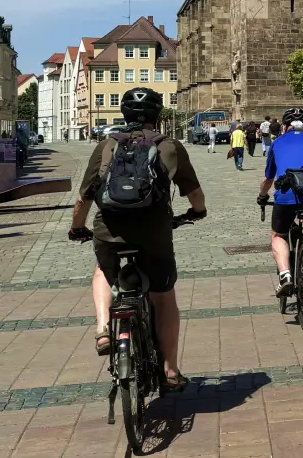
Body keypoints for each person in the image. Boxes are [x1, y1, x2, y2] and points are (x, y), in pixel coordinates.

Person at [68, 87, 205, 393]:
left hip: (109, 227)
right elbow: (193, 192)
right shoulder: (169, 145)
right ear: (157, 115)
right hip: (154, 229)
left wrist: (77, 227)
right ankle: (170, 370)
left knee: (104, 270)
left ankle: (103, 329)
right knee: (163, 295)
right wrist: (198, 211)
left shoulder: (107, 145)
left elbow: (85, 196)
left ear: (124, 114)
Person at [257, 107, 303, 297]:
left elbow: (268, 179)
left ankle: (285, 275)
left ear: (284, 126)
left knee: (278, 235)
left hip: (287, 195)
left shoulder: (277, 143)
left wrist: (262, 196)